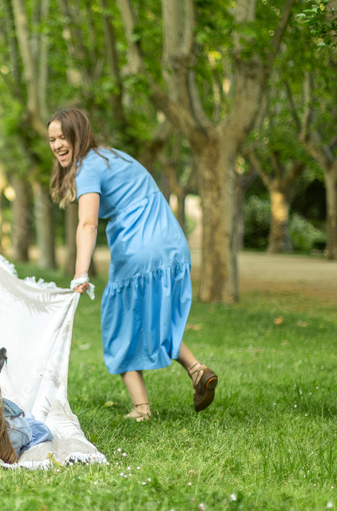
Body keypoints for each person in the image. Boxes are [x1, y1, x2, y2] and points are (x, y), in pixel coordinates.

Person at [47, 108, 217, 422]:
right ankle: (197, 370)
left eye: (63, 137)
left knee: (118, 324)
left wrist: (80, 273)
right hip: (171, 243)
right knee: (154, 318)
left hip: (140, 247)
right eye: (52, 139)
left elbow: (87, 224)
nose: (57, 145)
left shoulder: (87, 167)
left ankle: (141, 409)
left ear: (79, 134)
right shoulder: (112, 156)